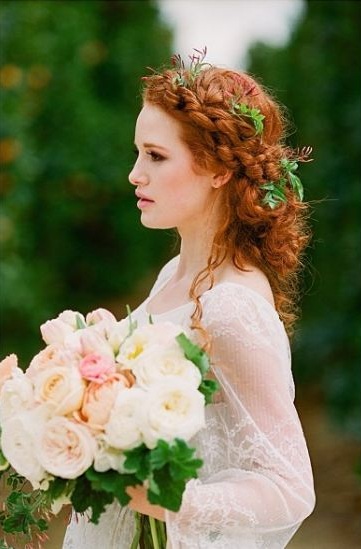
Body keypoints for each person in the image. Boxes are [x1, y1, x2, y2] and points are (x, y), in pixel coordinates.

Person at [62, 50, 315, 549]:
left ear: (218, 169)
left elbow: (291, 486)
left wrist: (171, 500)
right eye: (138, 153)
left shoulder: (233, 306)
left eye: (156, 156)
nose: (135, 174)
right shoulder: (173, 273)